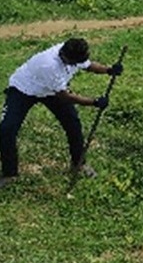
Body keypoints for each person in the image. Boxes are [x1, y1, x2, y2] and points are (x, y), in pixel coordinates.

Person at [0, 38, 123, 184]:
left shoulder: (74, 52)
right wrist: (94, 102)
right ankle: (10, 174)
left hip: (50, 91)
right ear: (64, 56)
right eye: (73, 63)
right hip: (24, 89)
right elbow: (65, 96)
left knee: (73, 124)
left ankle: (79, 164)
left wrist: (108, 70)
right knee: (6, 129)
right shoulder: (49, 65)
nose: (76, 65)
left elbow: (88, 66)